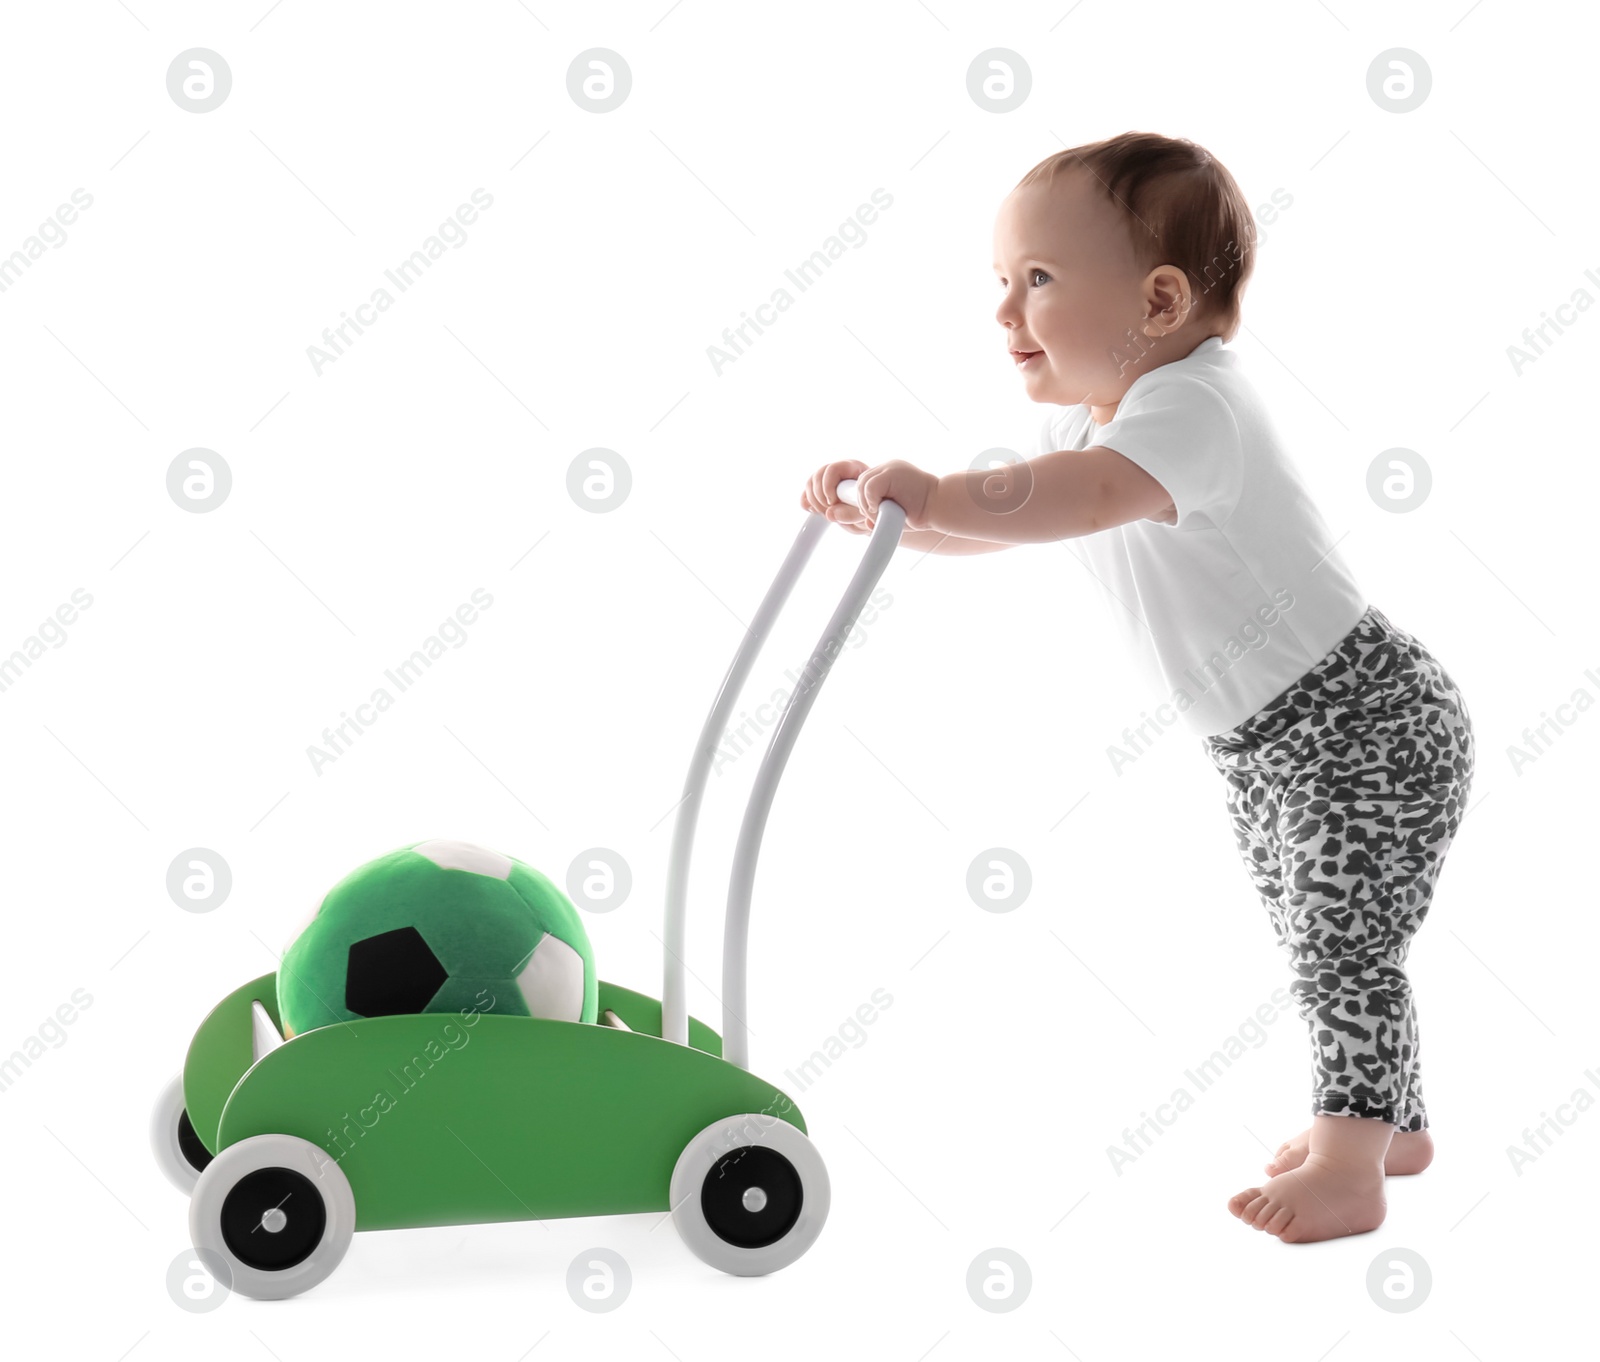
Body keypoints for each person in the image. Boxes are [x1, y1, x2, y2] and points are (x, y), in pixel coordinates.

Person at [799, 131, 1475, 1245]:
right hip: (1264, 743)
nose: (1005, 310)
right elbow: (1023, 521)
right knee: (1306, 924)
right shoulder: (1091, 420)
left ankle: (1352, 1160)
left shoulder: (1193, 408)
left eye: (1039, 280)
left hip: (1359, 722)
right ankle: (1387, 1116)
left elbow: (1068, 494)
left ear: (1159, 301)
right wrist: (901, 523)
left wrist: (938, 489)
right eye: (1002, 282)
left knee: (1337, 942)